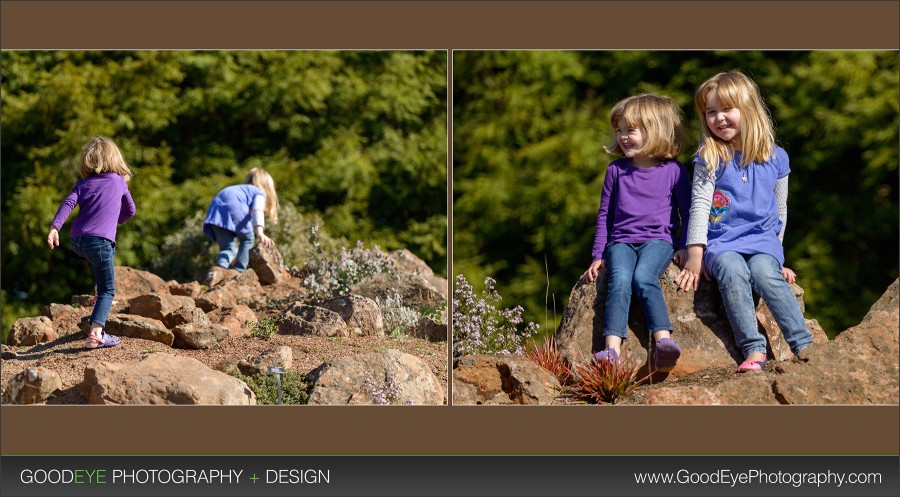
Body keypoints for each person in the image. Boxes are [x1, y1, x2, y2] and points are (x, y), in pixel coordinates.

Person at [675, 70, 813, 372]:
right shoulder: (710, 156)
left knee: (765, 273)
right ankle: (753, 347)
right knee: (733, 271)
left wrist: (778, 255)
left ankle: (804, 343)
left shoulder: (776, 157)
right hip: (722, 242)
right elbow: (698, 205)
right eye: (711, 112)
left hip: (762, 240)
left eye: (727, 109)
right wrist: (695, 253)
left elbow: (780, 210)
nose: (719, 118)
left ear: (748, 110)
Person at [581, 93, 691, 372]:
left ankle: (663, 341)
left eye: (631, 130)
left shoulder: (674, 172)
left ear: (655, 131)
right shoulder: (616, 170)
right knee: (619, 279)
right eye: (619, 130)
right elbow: (604, 215)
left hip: (658, 241)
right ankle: (611, 350)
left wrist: (683, 247)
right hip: (621, 243)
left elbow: (687, 212)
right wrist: (597, 255)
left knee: (644, 278)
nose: (623, 137)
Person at [47, 136, 136, 349]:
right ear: (115, 159)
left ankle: (97, 297)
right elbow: (130, 210)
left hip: (77, 241)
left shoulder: (82, 184)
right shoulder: (118, 181)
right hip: (100, 241)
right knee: (108, 289)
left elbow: (68, 203)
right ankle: (96, 333)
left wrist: (54, 228)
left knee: (99, 266)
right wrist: (115, 220)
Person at [203, 167, 278, 276]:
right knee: (248, 238)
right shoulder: (259, 192)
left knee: (227, 248)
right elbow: (257, 210)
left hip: (216, 213)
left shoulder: (240, 189)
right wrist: (260, 232)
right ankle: (239, 271)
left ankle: (219, 270)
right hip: (234, 209)